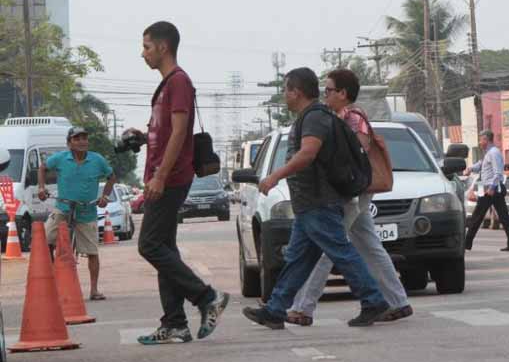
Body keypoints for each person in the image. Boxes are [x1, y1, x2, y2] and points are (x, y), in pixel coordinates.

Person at [242, 67, 389, 329]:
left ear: (296, 92)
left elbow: (308, 153)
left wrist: (275, 176)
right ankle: (275, 309)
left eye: (286, 90)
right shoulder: (310, 117)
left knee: (341, 253)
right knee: (299, 259)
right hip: (309, 203)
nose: (284, 96)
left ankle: (373, 300)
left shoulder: (314, 118)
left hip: (318, 201)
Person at [286, 69, 412, 326]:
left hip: (352, 193)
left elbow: (355, 155)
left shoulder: (353, 118)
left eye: (329, 90)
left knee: (327, 246)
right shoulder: (337, 117)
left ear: (343, 94)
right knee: (369, 246)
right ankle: (398, 301)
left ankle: (302, 308)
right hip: (353, 193)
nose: (325, 95)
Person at [129, 21, 229, 345]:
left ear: (163, 47)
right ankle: (174, 324)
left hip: (170, 178)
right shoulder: (168, 85)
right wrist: (143, 137)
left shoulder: (179, 82)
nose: (142, 53)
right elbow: (167, 132)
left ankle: (206, 297)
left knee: (150, 245)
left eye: (146, 46)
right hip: (163, 175)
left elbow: (181, 132)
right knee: (164, 249)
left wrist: (159, 176)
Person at [38, 127, 114, 301]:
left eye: (84, 138)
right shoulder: (60, 159)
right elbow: (42, 168)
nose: (82, 142)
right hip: (63, 208)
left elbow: (111, 176)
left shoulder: (97, 160)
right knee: (45, 239)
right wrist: (41, 188)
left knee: (92, 251)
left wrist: (105, 196)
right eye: (77, 138)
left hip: (87, 211)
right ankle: (49, 281)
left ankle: (94, 290)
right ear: (69, 143)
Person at [463, 130, 509, 252]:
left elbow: (498, 172)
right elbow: (481, 165)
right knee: (503, 217)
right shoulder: (488, 153)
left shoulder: (494, 153)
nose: (480, 142)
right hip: (487, 188)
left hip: (491, 189)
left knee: (477, 216)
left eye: (481, 139)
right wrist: (470, 169)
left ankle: (467, 243)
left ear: (486, 140)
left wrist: (492, 188)